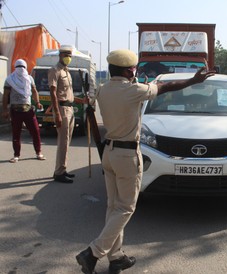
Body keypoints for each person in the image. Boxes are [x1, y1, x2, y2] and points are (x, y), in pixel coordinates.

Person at [75, 49, 215, 274]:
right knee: (126, 208)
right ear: (129, 70)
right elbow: (166, 87)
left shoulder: (103, 89)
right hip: (126, 156)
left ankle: (116, 257)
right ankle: (93, 252)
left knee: (113, 207)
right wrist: (193, 80)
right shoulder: (135, 90)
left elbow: (126, 93)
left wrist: (136, 81)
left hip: (109, 153)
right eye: (133, 69)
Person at [48, 46, 86, 183]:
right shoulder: (55, 71)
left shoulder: (67, 72)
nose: (68, 57)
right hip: (62, 109)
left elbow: (68, 95)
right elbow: (53, 93)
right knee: (63, 142)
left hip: (70, 108)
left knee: (67, 142)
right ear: (60, 55)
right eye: (66, 54)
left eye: (70, 55)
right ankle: (59, 173)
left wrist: (82, 100)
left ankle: (62, 169)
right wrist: (57, 113)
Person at [2, 59, 46, 163]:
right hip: (15, 110)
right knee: (16, 133)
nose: (21, 69)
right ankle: (16, 155)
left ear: (25, 68)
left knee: (35, 131)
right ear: (15, 68)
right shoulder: (9, 79)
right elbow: (6, 95)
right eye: (19, 67)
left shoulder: (29, 79)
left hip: (28, 110)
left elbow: (34, 92)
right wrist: (5, 110)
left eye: (22, 67)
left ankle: (38, 152)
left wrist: (38, 102)